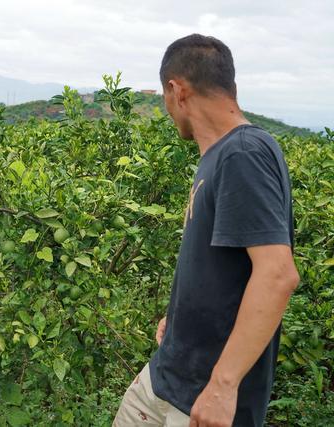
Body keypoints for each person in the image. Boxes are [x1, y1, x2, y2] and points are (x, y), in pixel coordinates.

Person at [113, 34, 300, 427]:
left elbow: (277, 274)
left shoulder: (243, 153)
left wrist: (223, 385)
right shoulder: (218, 155)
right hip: (167, 377)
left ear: (176, 90)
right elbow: (222, 269)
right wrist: (178, 320)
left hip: (203, 400)